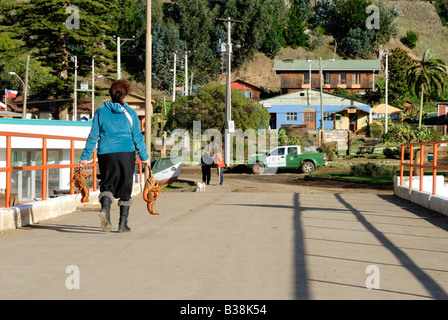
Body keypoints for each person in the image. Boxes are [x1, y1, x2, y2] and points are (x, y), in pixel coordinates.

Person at [79, 80, 150, 233]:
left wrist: (84, 157)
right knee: (125, 187)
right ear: (125, 95)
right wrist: (145, 157)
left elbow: (93, 135)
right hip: (126, 153)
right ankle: (122, 225)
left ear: (111, 93)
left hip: (106, 153)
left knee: (107, 184)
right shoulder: (130, 113)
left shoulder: (100, 111)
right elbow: (137, 136)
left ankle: (105, 208)